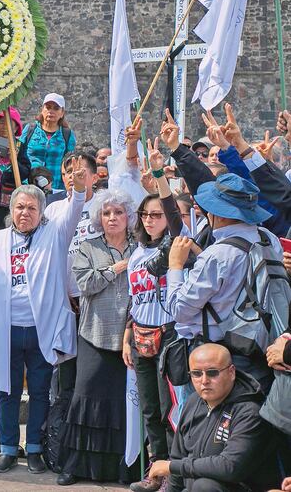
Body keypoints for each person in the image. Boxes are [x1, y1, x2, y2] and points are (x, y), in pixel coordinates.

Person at [0, 157, 89, 474]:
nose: (25, 213)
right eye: (20, 207)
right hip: (5, 328)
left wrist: (79, 190)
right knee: (7, 392)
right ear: (11, 210)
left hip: (41, 328)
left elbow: (75, 212)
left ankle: (35, 448)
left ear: (41, 213)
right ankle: (9, 448)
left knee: (40, 392)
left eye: (31, 209)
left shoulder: (55, 235)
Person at [167, 173, 278, 392]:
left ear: (219, 213)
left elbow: (179, 310)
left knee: (208, 423)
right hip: (261, 349)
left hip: (214, 357)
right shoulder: (268, 238)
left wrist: (175, 266)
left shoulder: (217, 255)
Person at [57, 189, 137, 485]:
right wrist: (116, 268)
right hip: (93, 333)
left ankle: (123, 469)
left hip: (130, 337)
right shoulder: (88, 247)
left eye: (118, 212)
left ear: (128, 215)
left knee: (122, 403)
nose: (112, 218)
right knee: (85, 397)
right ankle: (75, 466)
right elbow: (85, 284)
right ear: (98, 218)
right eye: (106, 213)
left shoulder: (140, 248)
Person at [124, 137, 187, 492]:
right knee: (149, 409)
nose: (150, 220)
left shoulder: (176, 243)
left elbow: (176, 217)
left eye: (156, 214)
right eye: (145, 215)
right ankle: (155, 472)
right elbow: (132, 299)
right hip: (141, 334)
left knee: (169, 410)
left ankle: (174, 474)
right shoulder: (135, 252)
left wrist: (160, 175)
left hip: (170, 335)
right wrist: (127, 335)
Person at [145, 344, 278, 492]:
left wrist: (171, 466)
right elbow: (178, 459)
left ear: (231, 372)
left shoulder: (249, 411)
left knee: (205, 486)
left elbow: (230, 467)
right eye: (196, 373)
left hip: (237, 487)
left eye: (212, 373)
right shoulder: (193, 401)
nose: (204, 380)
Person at [0, 108, 31, 225]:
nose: (4, 126)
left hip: (7, 203)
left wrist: (13, 160)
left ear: (15, 128)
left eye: (8, 123)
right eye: (1, 122)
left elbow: (25, 172)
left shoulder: (19, 146)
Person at [20, 93, 77, 191]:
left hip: (55, 187)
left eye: (56, 108)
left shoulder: (67, 135)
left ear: (62, 112)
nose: (51, 111)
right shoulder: (30, 130)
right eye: (48, 107)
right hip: (28, 185)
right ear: (42, 110)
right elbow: (18, 154)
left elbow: (70, 163)